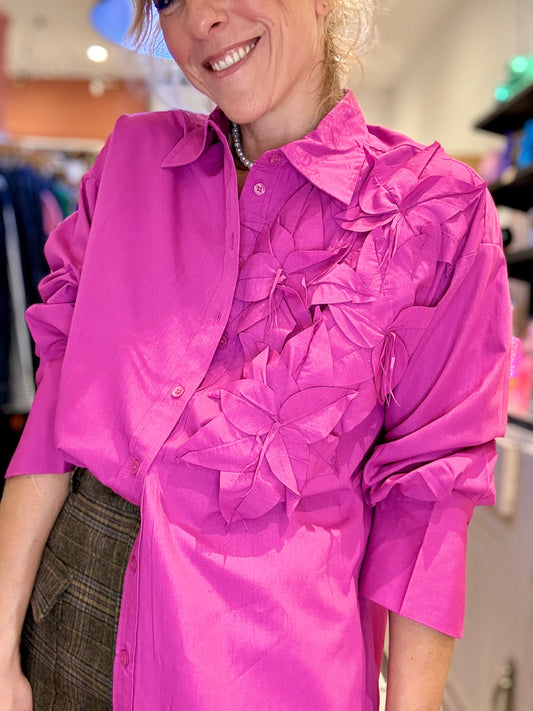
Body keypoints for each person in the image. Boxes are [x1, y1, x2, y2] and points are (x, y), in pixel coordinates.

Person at [0, 0, 511, 709]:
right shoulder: (132, 161)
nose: (200, 19)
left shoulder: (436, 214)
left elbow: (427, 506)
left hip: (266, 669)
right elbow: (54, 413)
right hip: (68, 620)